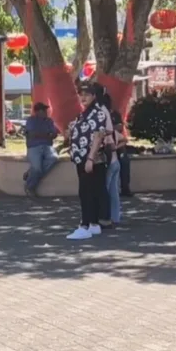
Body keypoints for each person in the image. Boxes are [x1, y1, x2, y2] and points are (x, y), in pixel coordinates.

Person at [66, 82, 109, 240]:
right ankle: (93, 223)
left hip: (89, 157)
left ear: (94, 96)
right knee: (91, 190)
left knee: (86, 192)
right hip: (81, 157)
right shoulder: (83, 114)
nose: (83, 97)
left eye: (87, 94)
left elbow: (98, 135)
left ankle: (84, 225)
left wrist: (90, 157)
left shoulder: (97, 113)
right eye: (81, 94)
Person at [23, 102, 59, 196]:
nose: (45, 112)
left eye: (45, 110)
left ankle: (30, 173)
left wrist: (43, 135)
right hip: (34, 147)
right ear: (37, 112)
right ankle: (30, 187)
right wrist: (47, 135)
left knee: (53, 158)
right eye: (43, 110)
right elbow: (32, 134)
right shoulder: (31, 120)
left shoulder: (49, 121)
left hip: (47, 146)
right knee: (37, 168)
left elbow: (54, 134)